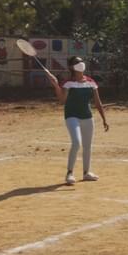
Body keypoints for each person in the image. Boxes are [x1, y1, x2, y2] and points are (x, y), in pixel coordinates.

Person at [45, 55, 109, 185]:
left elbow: (98, 102)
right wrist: (56, 85)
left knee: (87, 146)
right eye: (77, 62)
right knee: (76, 142)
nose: (81, 63)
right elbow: (62, 100)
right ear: (71, 67)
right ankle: (69, 173)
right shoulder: (68, 83)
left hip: (87, 116)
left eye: (81, 61)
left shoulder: (91, 82)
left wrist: (104, 119)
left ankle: (86, 173)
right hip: (71, 115)